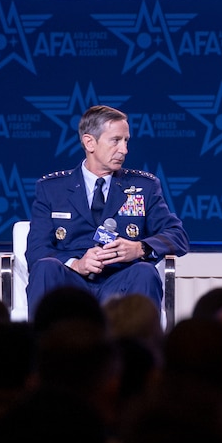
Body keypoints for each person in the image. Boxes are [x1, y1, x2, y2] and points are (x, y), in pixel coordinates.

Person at [26, 105, 189, 316]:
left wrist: (140, 248)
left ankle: (139, 348)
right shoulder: (51, 189)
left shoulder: (144, 186)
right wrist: (76, 264)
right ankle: (41, 347)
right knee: (45, 267)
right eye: (115, 140)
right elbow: (36, 250)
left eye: (126, 141)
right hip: (70, 284)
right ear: (89, 142)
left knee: (145, 271)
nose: (124, 150)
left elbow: (178, 237)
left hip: (120, 283)